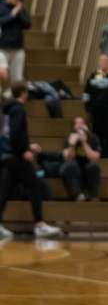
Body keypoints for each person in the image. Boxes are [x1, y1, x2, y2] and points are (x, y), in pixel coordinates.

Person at [0, 82, 61, 239]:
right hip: (17, 156)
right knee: (34, 185)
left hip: (8, 155)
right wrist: (24, 150)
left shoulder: (7, 109)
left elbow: (10, 134)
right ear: (24, 93)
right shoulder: (18, 109)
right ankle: (39, 225)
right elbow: (15, 134)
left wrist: (28, 146)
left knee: (5, 190)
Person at [60, 116, 102, 201]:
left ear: (86, 126)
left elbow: (95, 158)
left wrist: (84, 142)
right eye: (77, 123)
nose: (79, 126)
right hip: (72, 167)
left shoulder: (93, 138)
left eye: (82, 123)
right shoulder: (69, 138)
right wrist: (72, 145)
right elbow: (67, 158)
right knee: (71, 165)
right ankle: (77, 195)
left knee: (94, 166)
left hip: (87, 166)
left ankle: (93, 196)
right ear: (73, 127)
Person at [0, 0, 31, 85]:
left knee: (17, 79)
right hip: (2, 48)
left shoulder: (20, 8)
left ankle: (13, 96)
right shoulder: (1, 7)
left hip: (18, 48)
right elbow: (1, 22)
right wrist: (13, 14)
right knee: (2, 75)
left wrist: (19, 12)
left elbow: (27, 24)